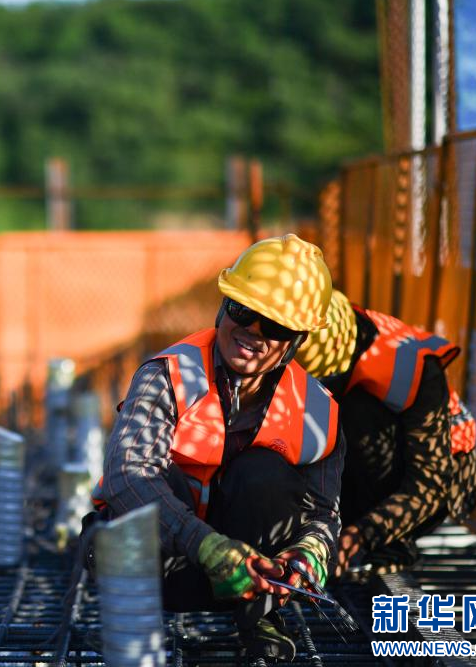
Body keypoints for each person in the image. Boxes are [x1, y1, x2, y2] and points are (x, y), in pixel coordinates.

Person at [88, 234, 345, 663]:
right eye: (243, 311)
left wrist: (309, 554)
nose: (252, 333)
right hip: (159, 568)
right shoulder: (167, 375)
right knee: (151, 480)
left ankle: (260, 622)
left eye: (276, 326)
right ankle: (133, 630)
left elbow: (324, 514)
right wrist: (206, 546)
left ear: (297, 340)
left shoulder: (316, 410)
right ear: (223, 305)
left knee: (265, 474)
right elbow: (124, 477)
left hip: (250, 580)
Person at [295, 289, 476, 579]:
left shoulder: (407, 363)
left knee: (355, 413)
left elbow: (429, 482)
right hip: (356, 480)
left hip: (439, 483)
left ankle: (387, 543)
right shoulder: (287, 342)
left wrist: (361, 534)